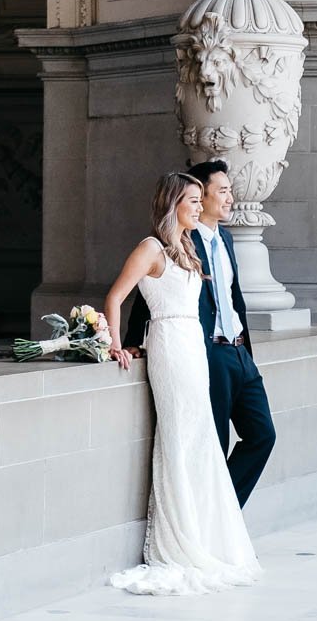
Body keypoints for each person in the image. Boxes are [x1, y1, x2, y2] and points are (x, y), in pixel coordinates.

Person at [103, 171, 261, 596]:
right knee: (178, 438)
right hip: (170, 347)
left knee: (201, 438)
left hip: (194, 345)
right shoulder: (150, 248)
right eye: (192, 200)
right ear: (173, 203)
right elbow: (117, 297)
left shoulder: (187, 247)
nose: (198, 206)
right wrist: (120, 345)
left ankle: (205, 532)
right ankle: (180, 537)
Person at [124, 159, 276, 509]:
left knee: (262, 434)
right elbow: (151, 292)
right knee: (214, 444)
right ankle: (211, 529)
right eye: (222, 191)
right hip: (207, 355)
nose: (230, 198)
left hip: (239, 353)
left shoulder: (226, 239)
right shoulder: (180, 240)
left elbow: (234, 299)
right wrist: (133, 341)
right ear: (200, 197)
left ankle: (224, 517)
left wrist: (247, 352)